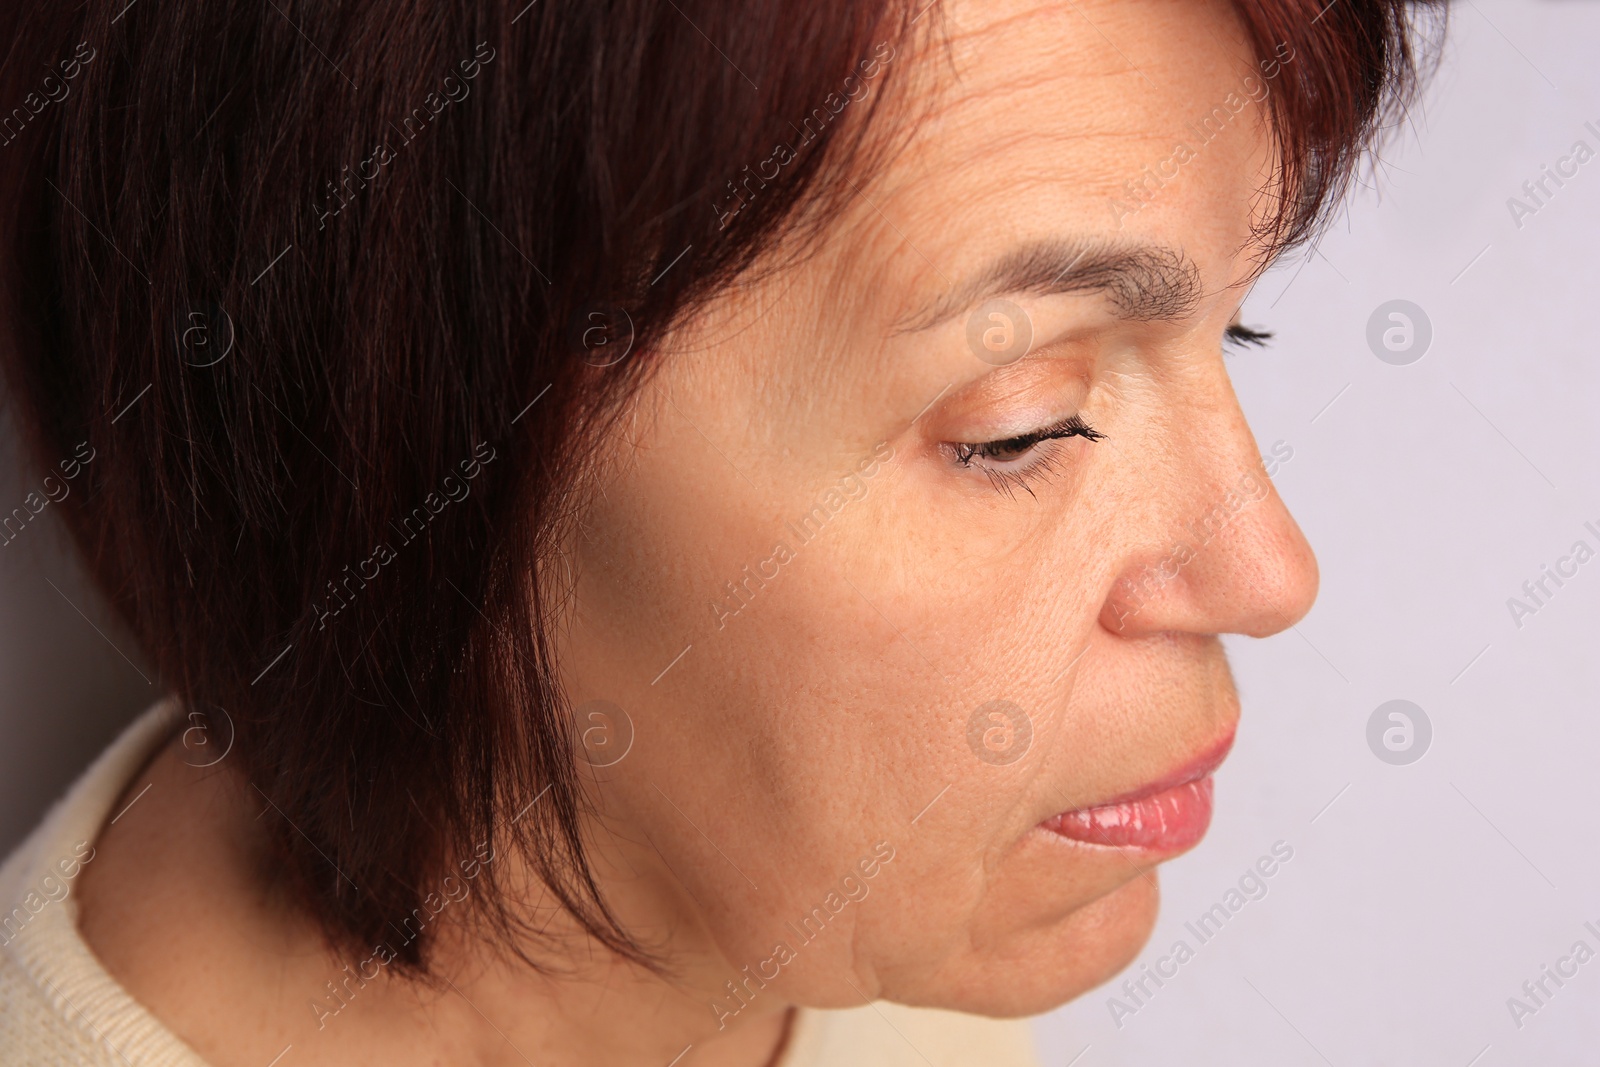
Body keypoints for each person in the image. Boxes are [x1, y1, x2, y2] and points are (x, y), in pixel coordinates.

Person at [0, 0, 1436, 1064]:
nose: (1270, 572)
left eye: (1232, 323)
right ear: (410, 466)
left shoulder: (862, 922)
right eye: (1019, 425)